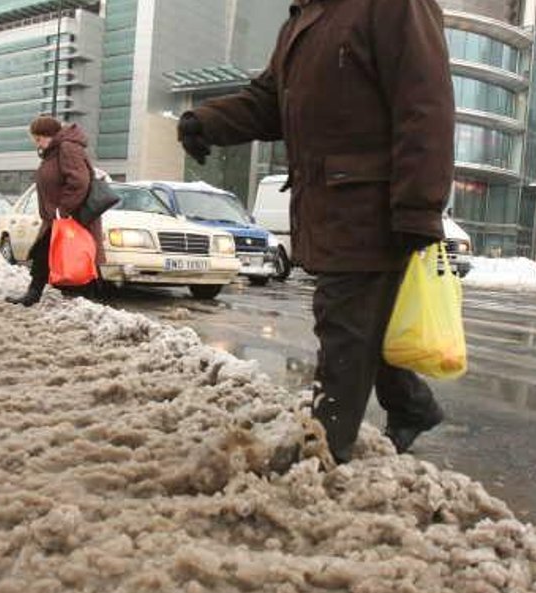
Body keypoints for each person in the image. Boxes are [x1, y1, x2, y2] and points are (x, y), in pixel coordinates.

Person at [176, 0, 455, 463]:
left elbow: (424, 104)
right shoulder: (304, 20)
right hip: (327, 203)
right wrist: (206, 121)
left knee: (343, 325)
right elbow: (268, 102)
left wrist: (419, 207)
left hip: (374, 204)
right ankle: (414, 407)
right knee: (370, 324)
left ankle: (322, 450)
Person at [6, 116, 93, 307]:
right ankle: (35, 294)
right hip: (56, 217)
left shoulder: (67, 148)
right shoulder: (53, 152)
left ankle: (75, 299)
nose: (37, 144)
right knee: (44, 254)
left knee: (69, 255)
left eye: (38, 139)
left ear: (50, 135)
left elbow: (79, 181)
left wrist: (63, 209)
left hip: (69, 217)